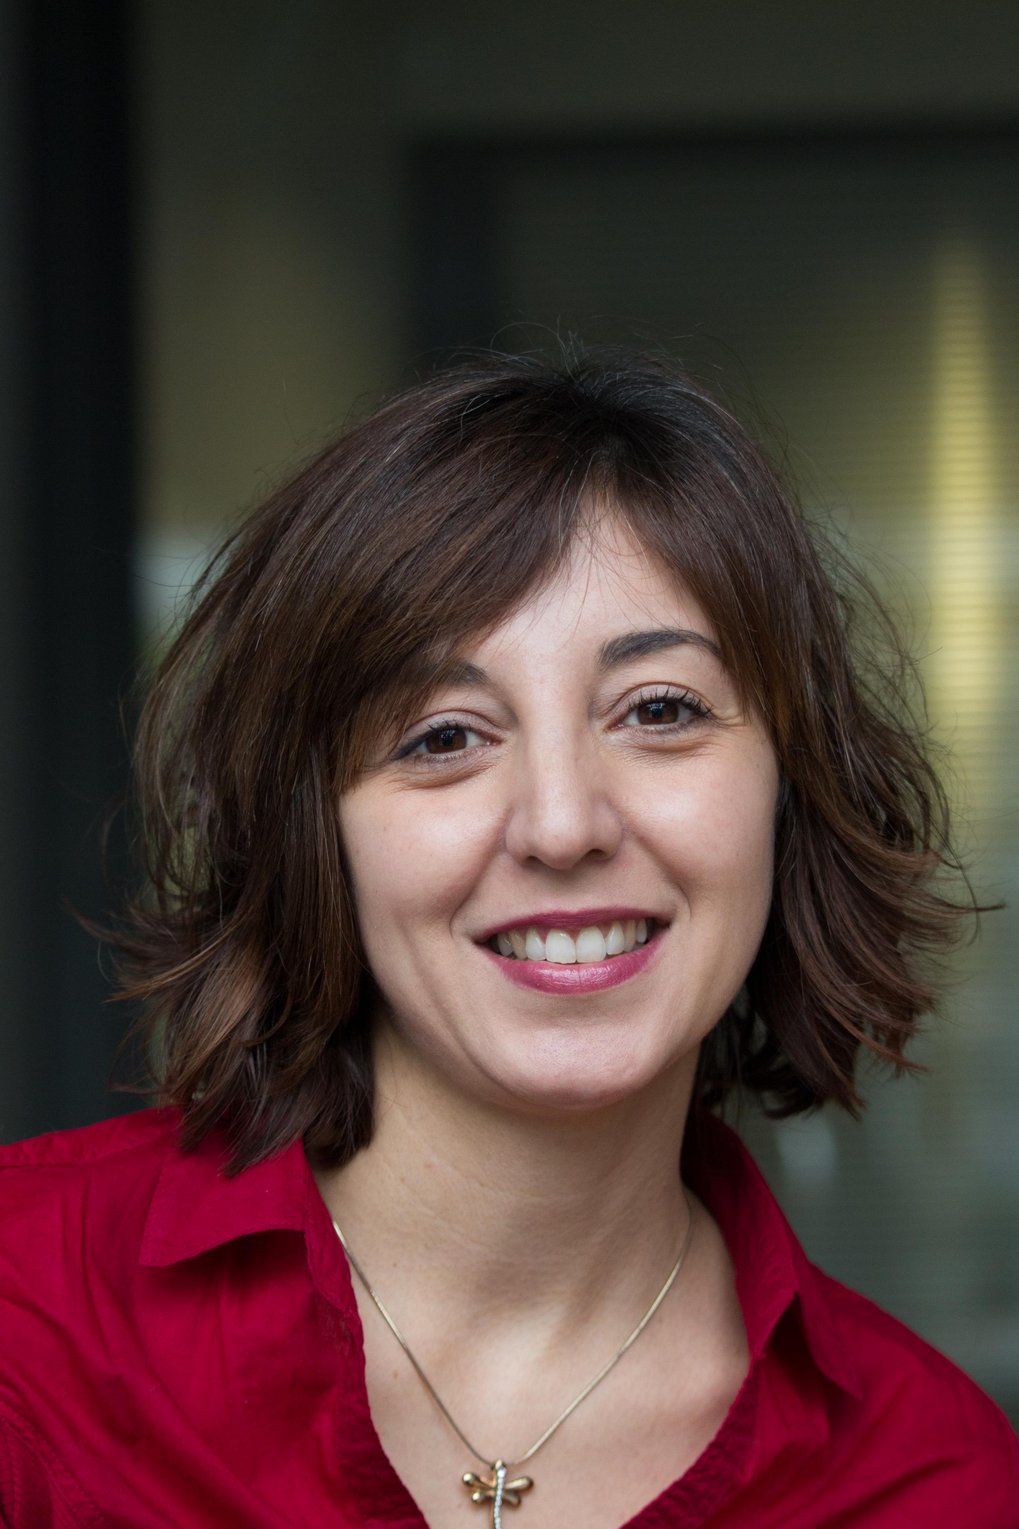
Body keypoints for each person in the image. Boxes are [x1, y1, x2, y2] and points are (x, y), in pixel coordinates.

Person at [0, 349, 1016, 1528]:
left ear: (790, 791)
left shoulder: (934, 1477)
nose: (562, 824)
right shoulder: (29, 1315)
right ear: (312, 832)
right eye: (443, 735)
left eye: (658, 710)